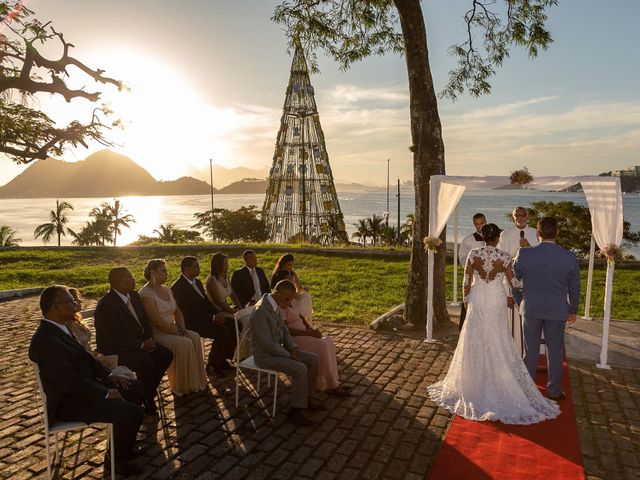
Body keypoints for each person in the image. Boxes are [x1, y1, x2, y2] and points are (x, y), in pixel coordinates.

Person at [427, 224, 560, 424]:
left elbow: (466, 281)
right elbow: (515, 283)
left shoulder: (473, 253)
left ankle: (472, 381)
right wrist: (531, 283)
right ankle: (499, 377)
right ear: (497, 238)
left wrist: (466, 301)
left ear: (483, 237)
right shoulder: (505, 257)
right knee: (497, 336)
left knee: (475, 337)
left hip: (478, 299)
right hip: (496, 299)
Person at [29, 285, 145, 475]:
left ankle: (119, 447)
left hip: (86, 389)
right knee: (133, 413)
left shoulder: (62, 328)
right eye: (69, 301)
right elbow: (69, 383)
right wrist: (106, 393)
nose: (75, 304)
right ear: (54, 307)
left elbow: (88, 360)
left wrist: (110, 376)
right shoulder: (46, 341)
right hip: (70, 403)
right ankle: (117, 462)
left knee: (135, 388)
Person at [513, 217, 580, 400]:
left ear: (538, 233)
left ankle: (527, 390)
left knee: (531, 350)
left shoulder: (524, 254)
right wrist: (572, 310)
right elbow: (575, 287)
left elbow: (514, 280)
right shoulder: (569, 257)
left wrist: (521, 301)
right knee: (555, 350)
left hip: (531, 308)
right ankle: (554, 391)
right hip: (557, 310)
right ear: (557, 232)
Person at [94, 267, 173, 415]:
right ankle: (148, 399)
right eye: (129, 278)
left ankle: (144, 393)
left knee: (165, 354)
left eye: (132, 276)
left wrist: (148, 338)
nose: (134, 279)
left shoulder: (134, 296)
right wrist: (141, 345)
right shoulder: (107, 304)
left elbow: (144, 321)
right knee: (145, 363)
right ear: (117, 283)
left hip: (138, 344)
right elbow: (114, 336)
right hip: (116, 349)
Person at [250, 280, 324, 426]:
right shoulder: (261, 311)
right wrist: (290, 355)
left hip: (279, 351)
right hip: (265, 356)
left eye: (290, 300)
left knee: (314, 359)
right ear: (276, 293)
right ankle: (296, 410)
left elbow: (284, 330)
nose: (289, 304)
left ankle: (307, 398)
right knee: (300, 368)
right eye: (286, 299)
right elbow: (268, 344)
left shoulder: (276, 304)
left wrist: (294, 348)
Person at [271, 269, 350, 396]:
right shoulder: (280, 304)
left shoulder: (290, 298)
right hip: (294, 338)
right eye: (288, 280)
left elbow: (300, 315)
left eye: (291, 279)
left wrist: (309, 328)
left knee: (328, 342)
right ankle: (328, 384)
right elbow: (287, 331)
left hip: (303, 332)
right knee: (322, 346)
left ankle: (333, 381)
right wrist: (309, 334)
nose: (291, 281)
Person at [139, 259, 207, 396]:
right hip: (159, 333)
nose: (167, 274)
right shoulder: (145, 293)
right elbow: (156, 321)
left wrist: (181, 328)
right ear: (152, 273)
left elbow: (177, 311)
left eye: (166, 270)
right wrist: (175, 332)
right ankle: (182, 385)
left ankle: (196, 381)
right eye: (163, 271)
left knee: (194, 336)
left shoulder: (167, 289)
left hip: (174, 328)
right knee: (184, 343)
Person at [171, 256, 236, 377]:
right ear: (186, 269)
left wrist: (217, 313)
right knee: (222, 331)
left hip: (206, 317)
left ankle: (222, 360)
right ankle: (212, 365)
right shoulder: (177, 287)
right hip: (192, 322)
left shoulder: (198, 282)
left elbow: (206, 302)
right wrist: (212, 318)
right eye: (195, 266)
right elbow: (187, 312)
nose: (199, 268)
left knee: (235, 324)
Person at [457, 213, 486, 331]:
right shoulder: (468, 240)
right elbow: (462, 258)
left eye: (482, 223)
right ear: (474, 225)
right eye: (477, 224)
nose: (480, 226)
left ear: (486, 221)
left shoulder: (496, 238)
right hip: (475, 277)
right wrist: (473, 268)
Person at [270, 253, 312, 320]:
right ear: (283, 264)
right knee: (299, 300)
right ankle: (297, 318)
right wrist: (294, 295)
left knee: (306, 296)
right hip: (284, 297)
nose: (290, 267)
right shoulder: (280, 273)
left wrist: (303, 289)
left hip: (293, 294)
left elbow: (299, 287)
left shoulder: (292, 273)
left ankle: (305, 319)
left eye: (292, 265)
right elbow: (275, 289)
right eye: (288, 265)